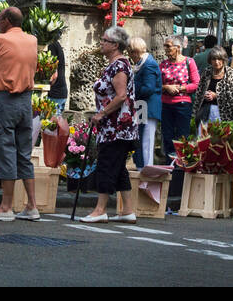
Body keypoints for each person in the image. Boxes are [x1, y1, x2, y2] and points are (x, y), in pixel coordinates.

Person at [0, 6, 39, 221]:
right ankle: (32, 206)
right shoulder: (32, 40)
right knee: (24, 153)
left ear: (6, 21)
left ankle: (5, 207)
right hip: (25, 101)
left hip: (5, 99)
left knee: (4, 149)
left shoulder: (0, 39)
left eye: (0, 18)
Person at [79, 25, 139, 223]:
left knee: (106, 164)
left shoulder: (119, 66)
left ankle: (100, 210)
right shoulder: (115, 65)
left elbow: (121, 96)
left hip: (117, 127)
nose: (101, 43)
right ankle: (127, 210)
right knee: (118, 167)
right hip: (114, 126)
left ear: (115, 45)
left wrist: (101, 113)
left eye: (105, 40)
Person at [159, 36, 200, 162]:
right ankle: (169, 165)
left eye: (168, 46)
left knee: (182, 136)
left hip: (183, 104)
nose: (165, 49)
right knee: (167, 136)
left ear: (178, 48)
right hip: (166, 105)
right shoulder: (163, 64)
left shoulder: (189, 62)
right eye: (165, 46)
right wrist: (166, 87)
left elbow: (196, 84)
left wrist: (180, 89)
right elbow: (156, 85)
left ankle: (181, 165)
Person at [192, 46, 233, 130]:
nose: (216, 62)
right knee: (203, 140)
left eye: (219, 59)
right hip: (205, 113)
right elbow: (199, 93)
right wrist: (205, 95)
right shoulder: (207, 72)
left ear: (224, 60)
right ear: (210, 60)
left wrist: (216, 95)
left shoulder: (231, 74)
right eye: (214, 59)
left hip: (224, 116)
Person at [131, 36, 161, 167]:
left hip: (149, 107)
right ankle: (141, 168)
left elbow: (149, 88)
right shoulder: (142, 64)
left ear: (135, 52)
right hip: (143, 106)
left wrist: (132, 88)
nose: (130, 56)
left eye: (130, 52)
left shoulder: (149, 65)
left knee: (146, 141)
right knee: (142, 138)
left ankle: (146, 170)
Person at [46, 33, 67, 113]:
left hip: (55, 94)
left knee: (50, 124)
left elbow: (54, 75)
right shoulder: (55, 44)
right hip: (58, 93)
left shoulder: (51, 45)